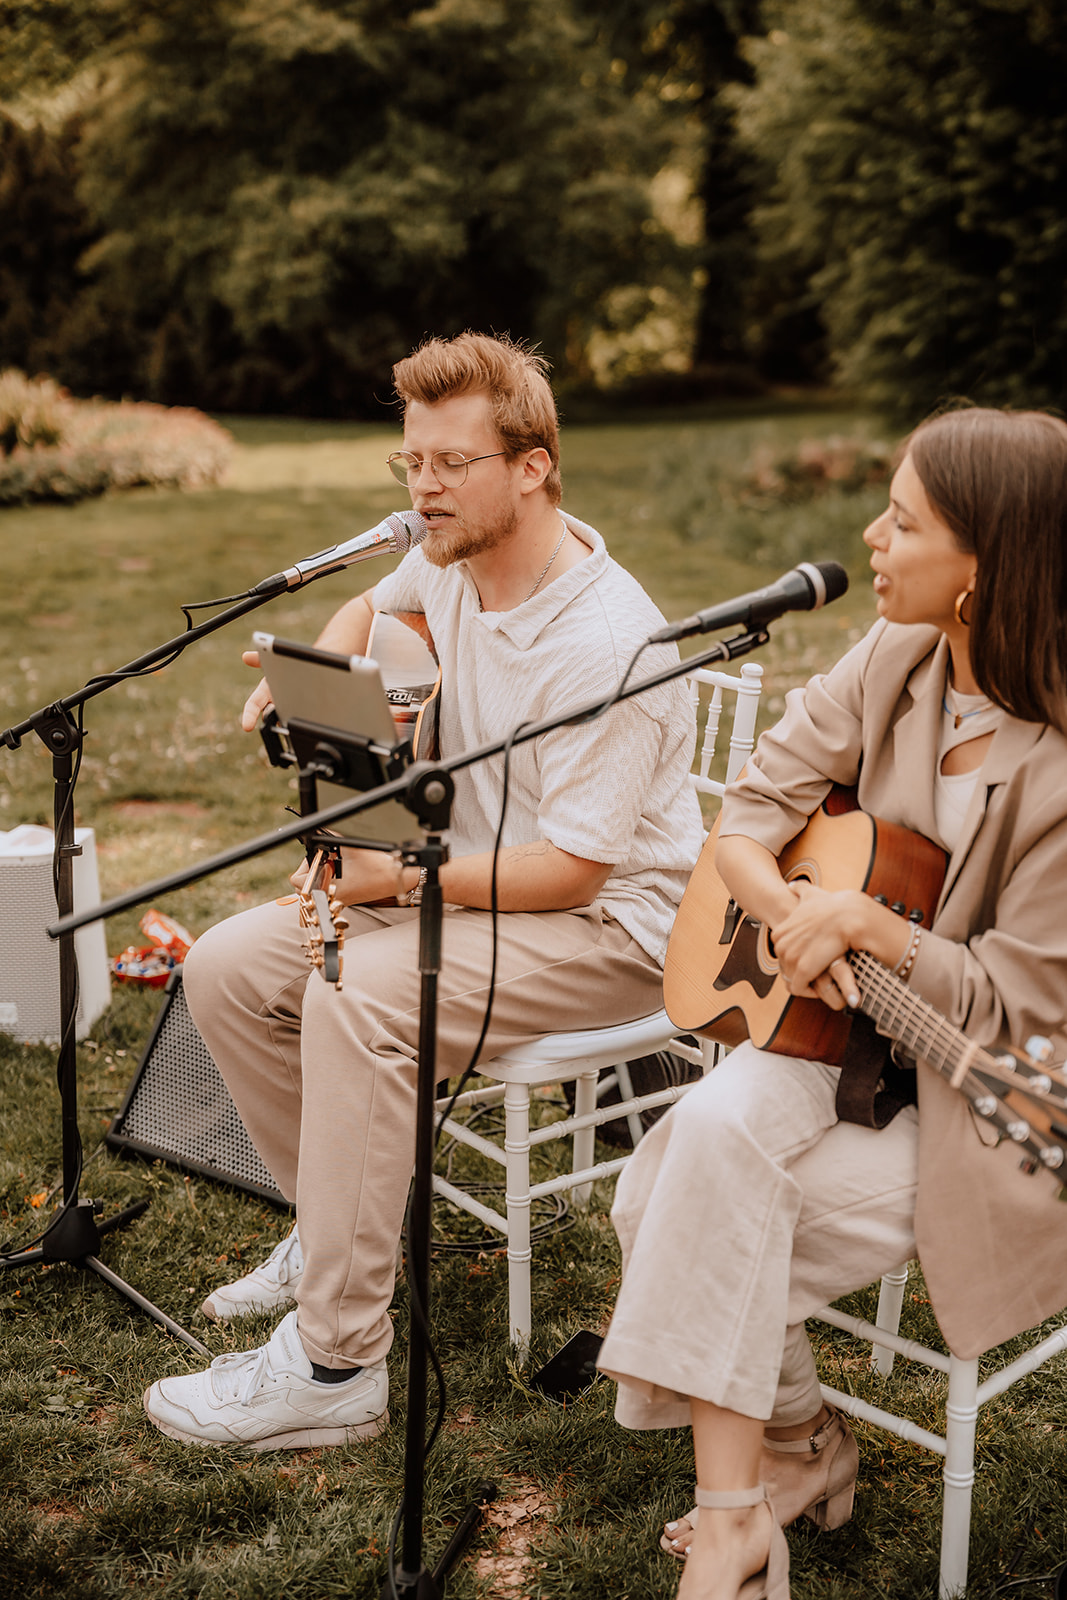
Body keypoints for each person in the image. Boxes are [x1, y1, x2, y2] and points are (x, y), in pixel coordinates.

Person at [142, 330, 705, 1450]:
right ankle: (332, 1234)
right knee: (226, 967)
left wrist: (393, 872)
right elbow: (375, 606)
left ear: (532, 467)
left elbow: (574, 869)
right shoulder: (451, 558)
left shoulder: (607, 641)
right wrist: (323, 675)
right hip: (468, 884)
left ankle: (335, 1364)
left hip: (611, 928)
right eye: (412, 462)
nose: (424, 488)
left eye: (451, 463)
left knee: (355, 996)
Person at [597, 405, 1067, 1600]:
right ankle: (762, 1485)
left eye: (900, 523)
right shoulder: (891, 658)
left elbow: (1022, 1007)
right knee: (699, 1153)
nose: (869, 537)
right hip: (837, 1036)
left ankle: (772, 1483)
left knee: (665, 1208)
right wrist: (788, 907)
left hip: (994, 1104)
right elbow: (747, 815)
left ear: (983, 569)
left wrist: (870, 926)